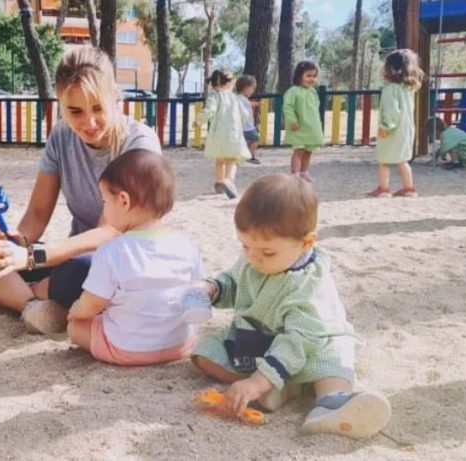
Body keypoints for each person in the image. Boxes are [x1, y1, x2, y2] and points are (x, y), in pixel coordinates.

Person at [0, 46, 162, 335]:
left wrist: (33, 257)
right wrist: (18, 241)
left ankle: (6, 293)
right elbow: (37, 212)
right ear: (60, 103)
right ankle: (33, 305)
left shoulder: (139, 145)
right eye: (75, 111)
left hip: (116, 262)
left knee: (81, 271)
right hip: (66, 256)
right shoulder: (61, 135)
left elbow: (109, 234)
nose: (88, 123)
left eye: (97, 108)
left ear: (115, 97)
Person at [185, 174, 392, 439]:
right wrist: (212, 289)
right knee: (205, 353)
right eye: (245, 245)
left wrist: (258, 380)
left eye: (267, 252)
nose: (253, 257)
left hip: (307, 344)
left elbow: (298, 342)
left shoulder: (308, 285)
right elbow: (233, 282)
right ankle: (275, 387)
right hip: (261, 341)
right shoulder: (254, 256)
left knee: (333, 357)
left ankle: (330, 402)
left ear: (306, 243)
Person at [66, 150, 202, 366]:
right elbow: (197, 296)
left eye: (104, 202)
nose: (104, 209)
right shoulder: (186, 244)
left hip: (126, 349)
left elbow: (92, 303)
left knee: (76, 327)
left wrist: (76, 312)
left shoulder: (112, 251)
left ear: (123, 201)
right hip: (179, 346)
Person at [368, 49, 424, 198]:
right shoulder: (408, 90)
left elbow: (391, 110)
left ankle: (384, 188)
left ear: (391, 69)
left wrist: (385, 127)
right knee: (402, 160)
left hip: (392, 130)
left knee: (384, 160)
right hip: (405, 130)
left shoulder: (390, 90)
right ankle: (409, 188)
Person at [195, 69, 252, 199]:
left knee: (220, 160)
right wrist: (240, 124)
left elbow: (209, 111)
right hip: (233, 134)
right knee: (232, 160)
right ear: (229, 83)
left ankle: (220, 183)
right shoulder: (235, 98)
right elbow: (245, 114)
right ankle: (229, 180)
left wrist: (198, 121)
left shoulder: (213, 97)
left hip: (218, 135)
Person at [283, 61, 324, 182]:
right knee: (299, 151)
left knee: (308, 151)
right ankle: (295, 174)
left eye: (314, 76)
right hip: (298, 127)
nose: (312, 79)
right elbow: (288, 107)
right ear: (299, 75)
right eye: (308, 75)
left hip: (311, 127)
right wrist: (292, 121)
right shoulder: (293, 91)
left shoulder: (312, 92)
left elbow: (315, 109)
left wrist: (316, 124)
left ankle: (304, 172)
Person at [235, 75, 262, 164]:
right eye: (252, 88)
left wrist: (253, 104)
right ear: (246, 88)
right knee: (255, 138)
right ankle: (250, 155)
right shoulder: (244, 100)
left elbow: (245, 105)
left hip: (240, 127)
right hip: (247, 127)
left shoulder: (238, 98)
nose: (253, 91)